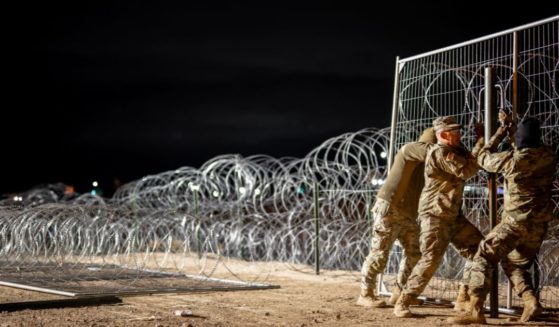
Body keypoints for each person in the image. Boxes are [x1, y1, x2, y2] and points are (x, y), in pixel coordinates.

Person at [448, 116, 556, 324]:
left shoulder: (511, 161)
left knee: (483, 255)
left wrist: (499, 133)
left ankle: (475, 309)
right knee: (512, 263)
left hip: (515, 224)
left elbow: (482, 158)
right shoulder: (549, 156)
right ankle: (530, 301)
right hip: (539, 224)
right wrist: (514, 132)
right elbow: (527, 147)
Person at [393, 116, 485, 317]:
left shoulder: (454, 151)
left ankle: (464, 297)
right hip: (435, 214)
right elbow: (467, 170)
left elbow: (471, 159)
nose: (459, 134)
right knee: (431, 259)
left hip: (452, 214)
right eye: (454, 132)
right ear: (443, 135)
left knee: (478, 249)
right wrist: (480, 144)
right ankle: (403, 301)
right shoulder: (441, 152)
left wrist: (481, 140)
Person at [357, 127, 436, 308]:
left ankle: (400, 293)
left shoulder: (430, 163)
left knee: (414, 254)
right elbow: (429, 152)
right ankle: (365, 294)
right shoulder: (411, 149)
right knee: (380, 253)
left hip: (408, 214)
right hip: (390, 209)